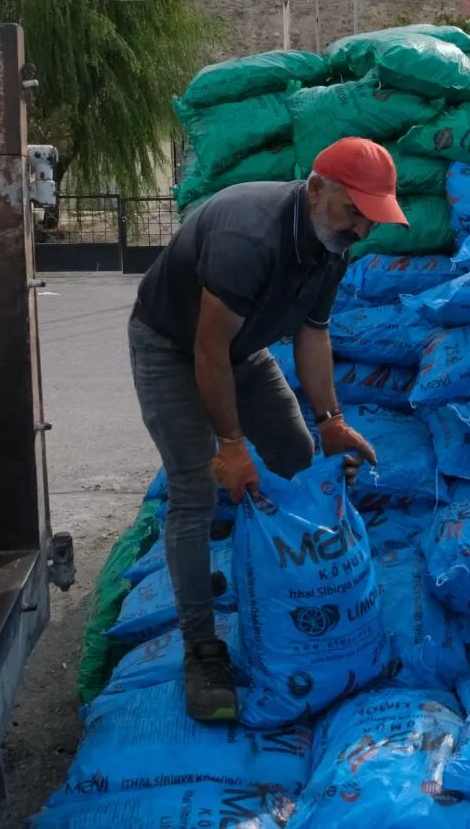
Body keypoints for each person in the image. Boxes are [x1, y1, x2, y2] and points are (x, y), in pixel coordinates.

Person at [127, 136, 408, 721]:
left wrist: (331, 421)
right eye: (353, 212)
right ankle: (202, 650)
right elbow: (207, 351)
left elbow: (313, 333)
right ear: (316, 190)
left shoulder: (333, 245)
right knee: (194, 488)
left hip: (242, 348)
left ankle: (289, 587)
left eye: (371, 218)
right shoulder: (249, 235)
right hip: (172, 346)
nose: (361, 229)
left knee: (299, 458)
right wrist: (230, 446)